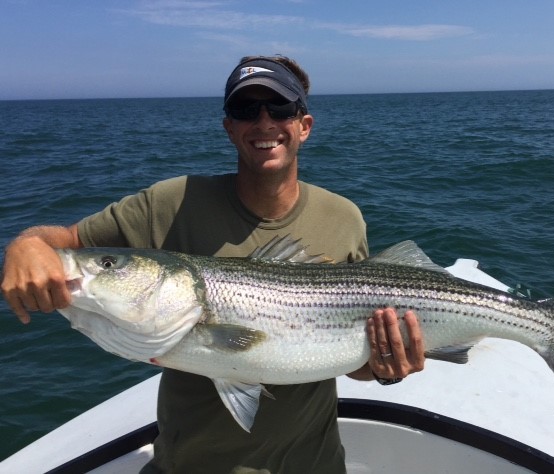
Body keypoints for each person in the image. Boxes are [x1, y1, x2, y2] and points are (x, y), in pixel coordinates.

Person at [1, 56, 425, 473]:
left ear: (303, 126)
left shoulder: (343, 217)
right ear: (229, 128)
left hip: (314, 464)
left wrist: (386, 369)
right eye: (245, 110)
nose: (263, 122)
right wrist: (26, 245)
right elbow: (63, 242)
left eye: (279, 108)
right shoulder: (168, 203)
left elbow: (358, 358)